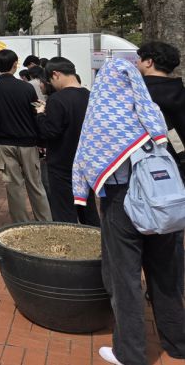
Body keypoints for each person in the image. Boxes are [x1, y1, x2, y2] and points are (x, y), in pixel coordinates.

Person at [72, 59, 185, 365]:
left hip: (122, 203)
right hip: (163, 199)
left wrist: (81, 194)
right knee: (166, 275)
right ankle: (177, 344)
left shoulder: (103, 115)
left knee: (124, 279)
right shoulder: (149, 111)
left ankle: (130, 353)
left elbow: (87, 157)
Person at [135, 41, 185, 297]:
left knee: (137, 237)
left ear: (149, 61)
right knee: (170, 237)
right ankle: (167, 292)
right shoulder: (180, 91)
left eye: (139, 58)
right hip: (175, 174)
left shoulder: (138, 92)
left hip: (140, 175)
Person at [34, 57, 100, 226]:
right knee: (88, 208)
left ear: (55, 74)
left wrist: (41, 114)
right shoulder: (90, 96)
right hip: (85, 163)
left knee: (64, 212)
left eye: (49, 80)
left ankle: (70, 249)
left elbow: (49, 132)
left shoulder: (57, 99)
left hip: (61, 164)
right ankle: (95, 245)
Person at [0, 49, 51, 223]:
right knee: (35, 185)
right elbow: (35, 114)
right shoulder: (26, 87)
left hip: (3, 143)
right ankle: (45, 222)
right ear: (14, 64)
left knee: (13, 187)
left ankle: (21, 224)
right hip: (28, 142)